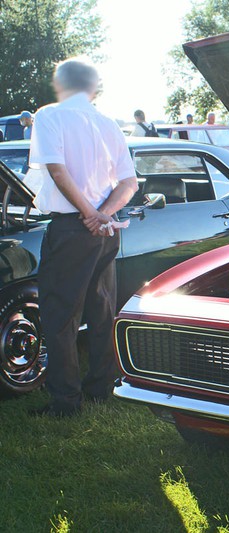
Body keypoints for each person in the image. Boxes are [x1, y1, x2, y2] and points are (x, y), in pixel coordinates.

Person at [28, 58, 139, 416]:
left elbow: (57, 171)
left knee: (61, 315)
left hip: (73, 228)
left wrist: (91, 214)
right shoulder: (107, 122)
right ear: (92, 87)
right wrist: (103, 214)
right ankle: (101, 387)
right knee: (102, 310)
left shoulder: (49, 115)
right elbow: (129, 183)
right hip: (106, 229)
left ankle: (65, 402)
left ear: (60, 83)